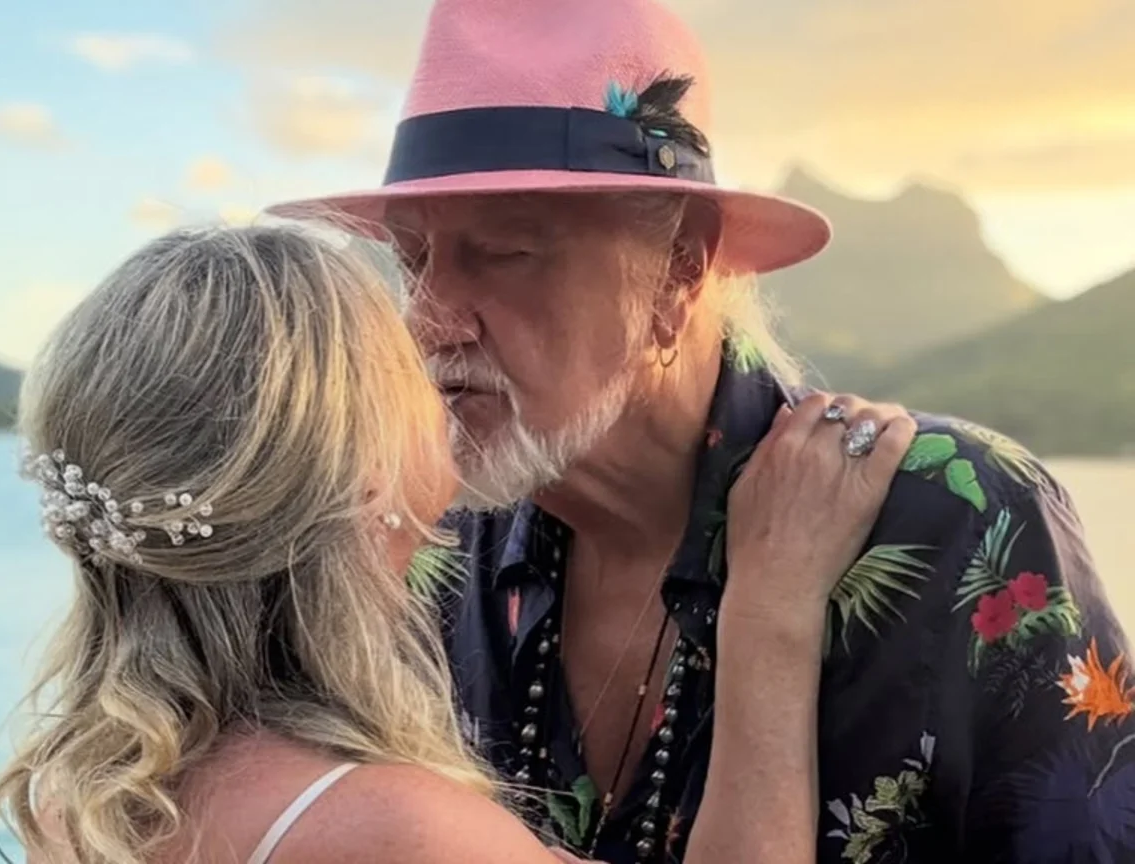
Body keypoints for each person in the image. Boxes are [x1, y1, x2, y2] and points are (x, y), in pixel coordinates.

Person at [267, 0, 1134, 861]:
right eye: (411, 261)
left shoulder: (962, 522)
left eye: (504, 253)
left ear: (679, 268)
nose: (428, 320)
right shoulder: (430, 561)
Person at [0, 224, 914, 864]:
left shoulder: (83, 796)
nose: (435, 334)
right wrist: (771, 610)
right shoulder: (388, 829)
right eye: (400, 368)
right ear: (359, 469)